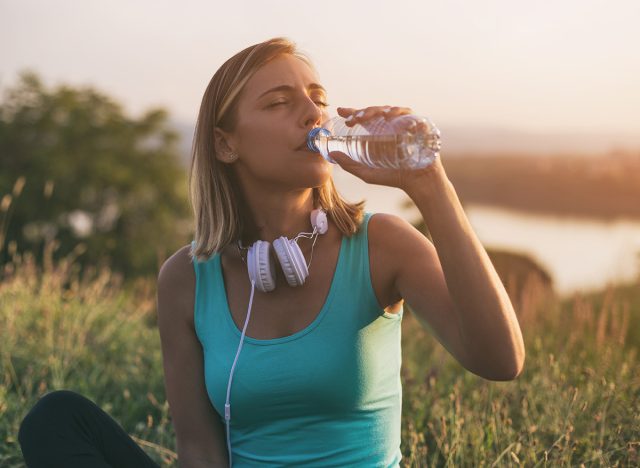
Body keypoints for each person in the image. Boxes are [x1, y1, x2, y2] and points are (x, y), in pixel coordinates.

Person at [18, 37, 525, 467]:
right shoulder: (186, 278)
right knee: (56, 419)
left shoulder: (381, 245)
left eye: (317, 97)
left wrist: (430, 185)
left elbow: (501, 359)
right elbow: (199, 448)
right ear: (225, 145)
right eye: (280, 102)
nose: (312, 112)